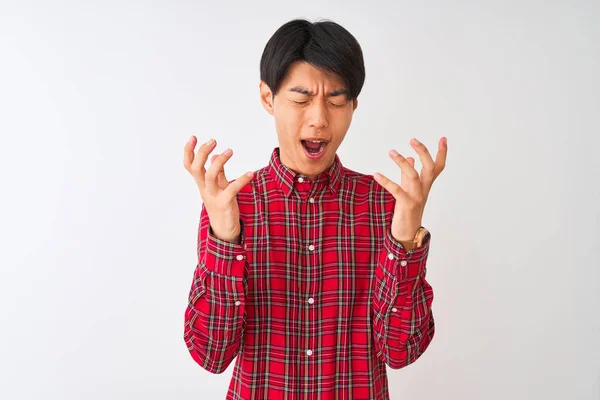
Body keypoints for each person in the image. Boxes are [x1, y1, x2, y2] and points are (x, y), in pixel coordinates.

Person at [182, 18, 447, 400]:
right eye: (301, 99)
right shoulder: (232, 204)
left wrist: (404, 241)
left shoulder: (384, 206)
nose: (319, 119)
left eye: (336, 100)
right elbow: (211, 354)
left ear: (354, 103)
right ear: (267, 97)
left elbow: (401, 351)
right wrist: (226, 240)